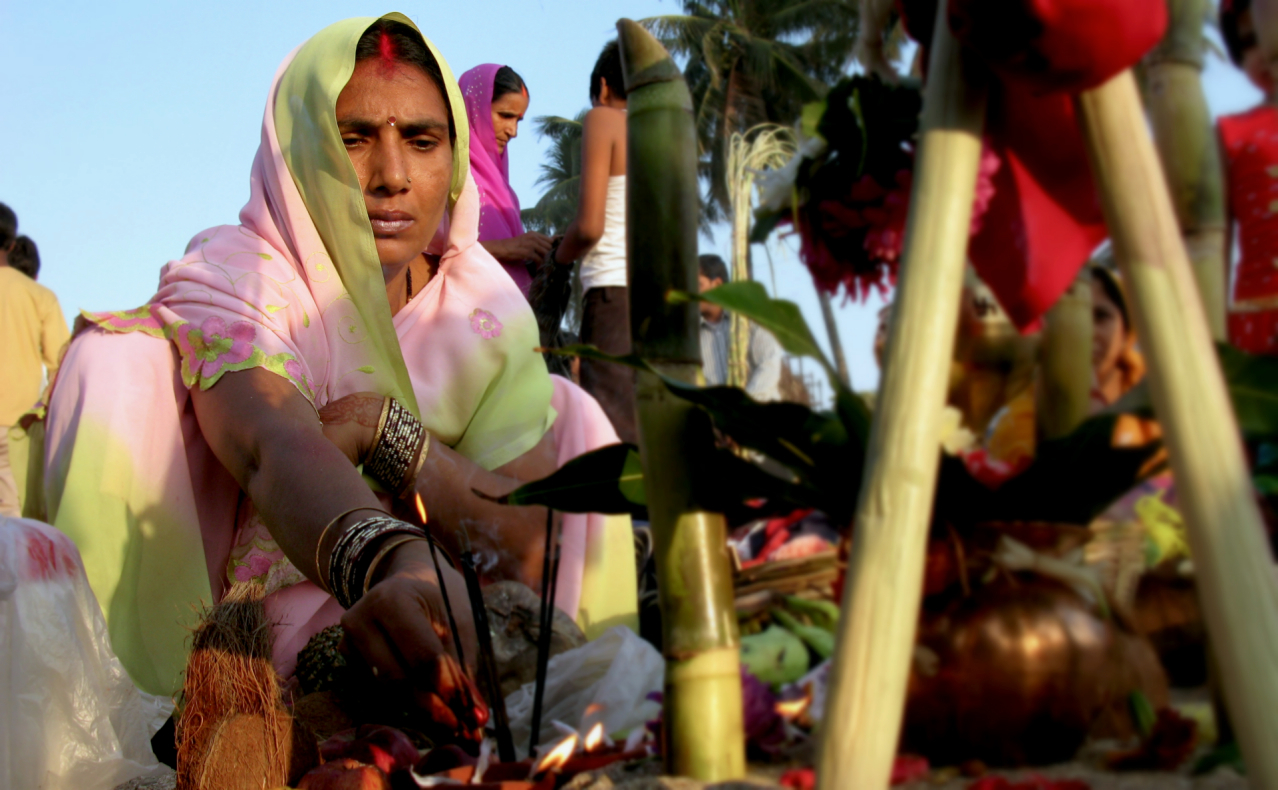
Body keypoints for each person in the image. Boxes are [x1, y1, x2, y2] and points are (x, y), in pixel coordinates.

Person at [28, 17, 637, 713]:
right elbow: (269, 438)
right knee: (115, 364)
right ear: (298, 152)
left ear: (457, 157)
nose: (391, 178)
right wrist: (387, 557)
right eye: (353, 139)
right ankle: (141, 719)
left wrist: (394, 438)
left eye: (421, 140)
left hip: (446, 631)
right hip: (243, 637)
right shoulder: (241, 277)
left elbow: (531, 547)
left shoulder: (481, 314)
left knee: (577, 416)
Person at [550, 41, 635, 443]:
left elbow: (589, 226)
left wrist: (558, 258)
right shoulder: (666, 130)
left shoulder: (605, 118)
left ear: (604, 86)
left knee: (614, 431)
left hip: (614, 296)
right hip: (665, 298)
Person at [460, 63, 551, 296]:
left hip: (506, 320)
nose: (513, 131)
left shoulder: (503, 190)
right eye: (505, 115)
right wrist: (505, 248)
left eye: (518, 120)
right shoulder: (444, 173)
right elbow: (424, 253)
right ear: (474, 108)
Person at [0, 213, 70, 517]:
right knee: (15, 520)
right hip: (19, 423)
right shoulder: (39, 295)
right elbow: (61, 362)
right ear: (12, 244)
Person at [1220, 0, 1278, 354]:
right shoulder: (1231, 132)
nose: (1265, 48)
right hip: (1257, 319)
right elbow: (1213, 242)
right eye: (1249, 41)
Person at [696, 254, 782, 401]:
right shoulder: (689, 336)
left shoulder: (749, 318)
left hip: (762, 416)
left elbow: (769, 364)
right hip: (719, 421)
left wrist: (742, 410)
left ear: (716, 285)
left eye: (698, 285)